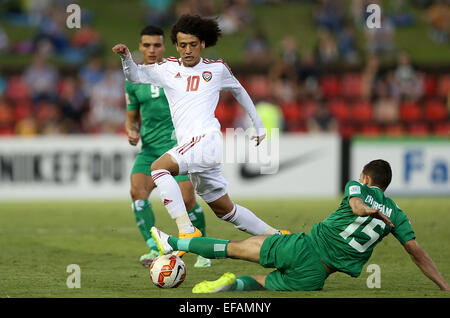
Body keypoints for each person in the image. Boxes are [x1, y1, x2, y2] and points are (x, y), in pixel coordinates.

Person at [112, 15, 287, 256]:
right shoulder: (167, 69)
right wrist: (126, 58)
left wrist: (257, 124)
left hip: (206, 141)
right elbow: (134, 76)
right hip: (195, 149)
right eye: (182, 45)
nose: (187, 50)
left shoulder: (216, 69)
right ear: (176, 46)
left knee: (158, 168)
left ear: (203, 44)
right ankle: (278, 236)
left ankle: (186, 230)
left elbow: (239, 90)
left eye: (192, 44)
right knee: (225, 210)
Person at [151, 159, 450, 293]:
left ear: (367, 179)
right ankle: (232, 286)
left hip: (302, 247)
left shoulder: (358, 188)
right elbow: (417, 252)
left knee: (233, 249)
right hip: (318, 275)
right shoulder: (397, 215)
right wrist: (444, 285)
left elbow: (358, 207)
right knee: (260, 284)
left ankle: (174, 243)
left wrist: (368, 208)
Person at [124, 25, 210, 268]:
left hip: (176, 147)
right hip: (149, 150)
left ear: (164, 47)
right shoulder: (133, 79)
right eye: (147, 45)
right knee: (137, 193)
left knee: (186, 198)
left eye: (157, 45)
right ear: (140, 47)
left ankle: (203, 249)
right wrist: (131, 130)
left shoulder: (178, 71)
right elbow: (132, 117)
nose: (152, 50)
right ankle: (155, 248)